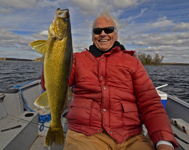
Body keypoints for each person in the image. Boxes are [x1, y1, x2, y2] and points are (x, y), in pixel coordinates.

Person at [41, 9, 178, 150]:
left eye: (108, 29)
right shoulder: (76, 59)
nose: (103, 34)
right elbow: (51, 85)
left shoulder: (133, 62)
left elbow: (151, 103)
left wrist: (164, 141)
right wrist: (54, 53)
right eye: (97, 31)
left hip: (131, 137)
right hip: (85, 136)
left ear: (116, 33)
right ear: (92, 35)